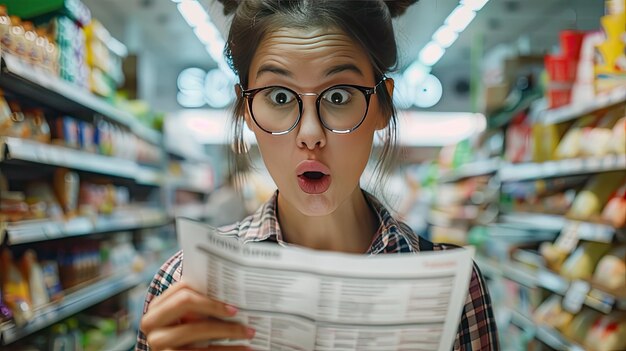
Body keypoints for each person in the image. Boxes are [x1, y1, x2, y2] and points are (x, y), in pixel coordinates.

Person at [136, 1, 499, 350]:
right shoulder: (187, 286)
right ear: (246, 108)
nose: (310, 133)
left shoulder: (452, 289)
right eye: (279, 97)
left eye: (339, 96)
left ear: (382, 106)